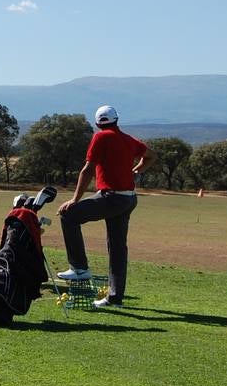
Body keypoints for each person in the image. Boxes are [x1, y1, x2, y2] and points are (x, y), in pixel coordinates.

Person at [56, 105, 155, 309]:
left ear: (97, 123)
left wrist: (74, 199)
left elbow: (88, 169)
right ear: (116, 120)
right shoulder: (128, 139)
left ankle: (79, 268)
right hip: (128, 199)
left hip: (112, 197)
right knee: (117, 248)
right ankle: (115, 298)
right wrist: (136, 171)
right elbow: (151, 156)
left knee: (69, 215)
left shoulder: (100, 137)